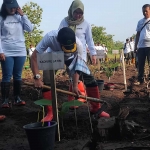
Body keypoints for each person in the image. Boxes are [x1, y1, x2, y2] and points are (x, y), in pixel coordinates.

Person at [31, 27, 110, 122]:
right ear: (58, 42)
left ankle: (96, 108)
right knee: (47, 83)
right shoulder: (50, 37)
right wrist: (37, 77)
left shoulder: (79, 44)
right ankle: (50, 112)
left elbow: (78, 66)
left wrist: (75, 85)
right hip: (52, 56)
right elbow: (34, 57)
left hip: (71, 57)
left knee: (90, 79)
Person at [0, 0, 33, 108]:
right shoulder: (1, 18)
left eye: (14, 7)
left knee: (18, 75)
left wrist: (23, 15)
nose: (12, 9)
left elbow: (30, 29)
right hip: (6, 51)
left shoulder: (20, 17)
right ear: (5, 6)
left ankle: (17, 98)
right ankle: (5, 100)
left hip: (20, 51)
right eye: (10, 7)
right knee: (7, 76)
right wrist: (0, 51)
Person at [134, 4, 150, 85]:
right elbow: (138, 34)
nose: (144, 13)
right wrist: (135, 46)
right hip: (141, 46)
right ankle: (140, 80)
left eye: (146, 11)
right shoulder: (140, 22)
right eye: (143, 11)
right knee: (140, 64)